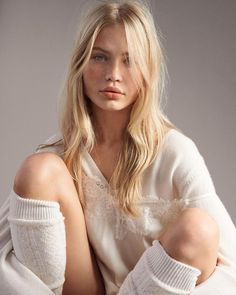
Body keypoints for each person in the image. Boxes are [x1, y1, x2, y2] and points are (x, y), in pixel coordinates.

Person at [0, 1, 236, 294]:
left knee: (199, 229)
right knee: (39, 169)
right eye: (100, 57)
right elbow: (7, 256)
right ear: (81, 64)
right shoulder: (63, 154)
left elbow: (231, 267)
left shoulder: (175, 152)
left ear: (148, 71)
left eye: (129, 60)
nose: (114, 73)